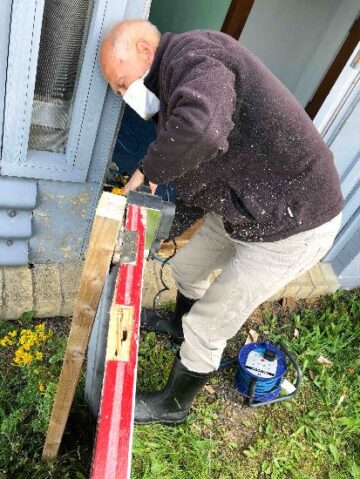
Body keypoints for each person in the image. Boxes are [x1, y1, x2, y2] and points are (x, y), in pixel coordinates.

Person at [99, 20, 343, 425]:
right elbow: (198, 179)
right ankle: (178, 327)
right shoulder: (173, 95)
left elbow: (205, 129)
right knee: (187, 268)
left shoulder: (198, 55)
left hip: (294, 224)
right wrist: (154, 233)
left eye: (123, 84)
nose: (126, 96)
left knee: (210, 322)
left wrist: (145, 175)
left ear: (146, 50)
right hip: (247, 207)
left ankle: (175, 405)